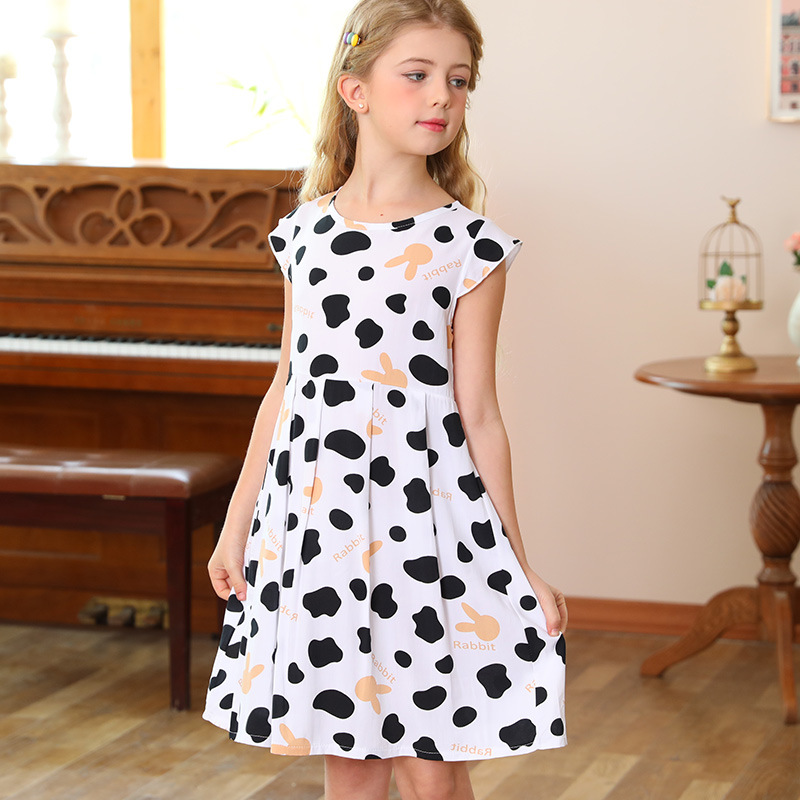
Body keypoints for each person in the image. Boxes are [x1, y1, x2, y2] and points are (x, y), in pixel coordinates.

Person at [202, 1, 568, 798]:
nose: (442, 96)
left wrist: (517, 563)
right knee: (350, 758)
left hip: (427, 528)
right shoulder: (304, 234)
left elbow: (481, 415)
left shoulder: (468, 246)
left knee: (431, 768)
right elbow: (286, 388)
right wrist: (236, 527)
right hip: (320, 530)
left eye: (459, 81)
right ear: (356, 90)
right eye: (418, 74)